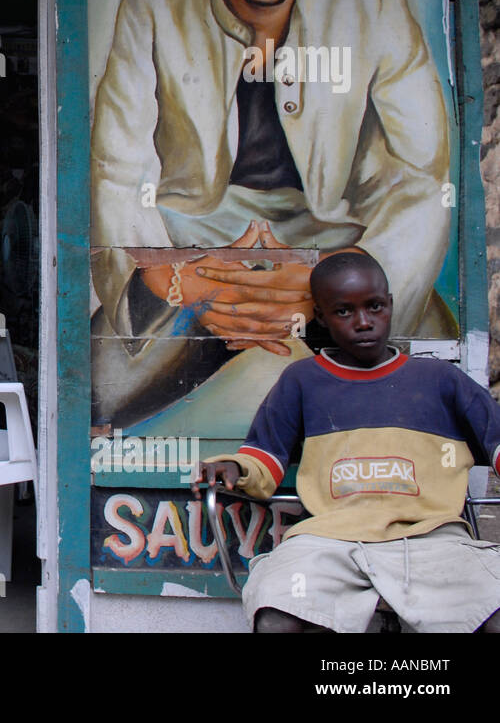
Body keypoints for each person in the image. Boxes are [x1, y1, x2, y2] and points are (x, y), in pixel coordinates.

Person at [91, 0, 452, 429]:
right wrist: (180, 278)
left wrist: (339, 277)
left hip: (333, 238)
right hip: (190, 238)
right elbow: (118, 164)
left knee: (415, 387)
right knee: (104, 391)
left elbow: (422, 172)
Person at [192, 251, 500, 633]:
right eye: (344, 312)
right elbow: (265, 456)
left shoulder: (439, 379)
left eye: (374, 307)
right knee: (276, 613)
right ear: (321, 317)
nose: (364, 322)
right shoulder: (302, 380)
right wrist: (235, 467)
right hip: (329, 542)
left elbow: (495, 439)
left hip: (432, 540)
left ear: (390, 304)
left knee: (492, 603)